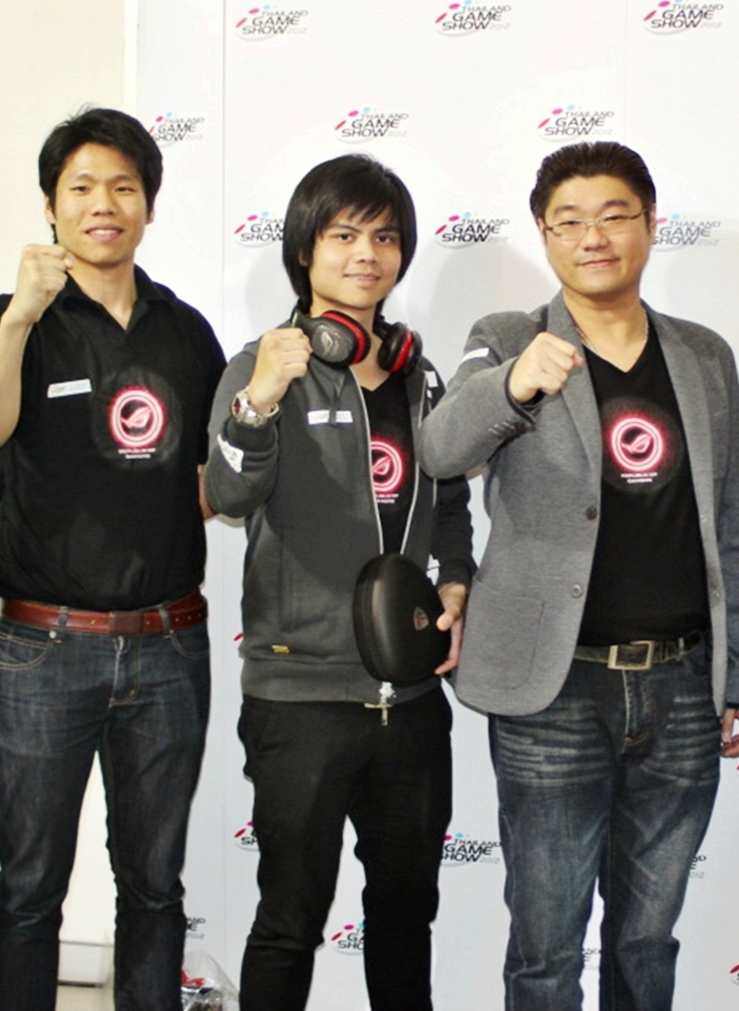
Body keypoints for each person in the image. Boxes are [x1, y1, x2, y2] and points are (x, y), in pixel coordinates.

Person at [417, 140, 739, 1010]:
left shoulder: (703, 355)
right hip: (555, 692)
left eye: (614, 216)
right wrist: (513, 385)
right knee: (545, 945)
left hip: (682, 687)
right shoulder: (507, 339)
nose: (593, 237)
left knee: (646, 940)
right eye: (568, 222)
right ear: (543, 235)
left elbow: (735, 521)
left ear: (650, 224)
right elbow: (440, 448)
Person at [0, 107, 226, 1010]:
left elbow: (210, 486)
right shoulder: (11, 320)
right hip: (44, 649)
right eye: (81, 188)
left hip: (168, 644)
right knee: (29, 888)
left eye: (123, 187)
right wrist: (20, 317)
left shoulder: (185, 332)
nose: (102, 204)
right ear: (51, 205)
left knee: (154, 888)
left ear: (149, 204)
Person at [203, 154, 474, 1011]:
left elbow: (451, 501)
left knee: (405, 918)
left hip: (410, 701)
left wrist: (457, 582)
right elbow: (229, 496)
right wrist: (257, 400)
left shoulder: (419, 377)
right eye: (344, 235)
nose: (366, 254)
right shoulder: (260, 368)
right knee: (289, 920)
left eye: (384, 237)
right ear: (304, 250)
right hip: (301, 699)